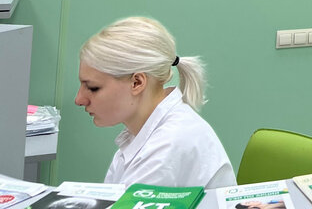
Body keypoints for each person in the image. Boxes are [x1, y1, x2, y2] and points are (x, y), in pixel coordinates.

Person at [75, 16, 236, 188]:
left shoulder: (168, 144)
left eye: (92, 88)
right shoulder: (144, 133)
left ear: (137, 82)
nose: (79, 99)